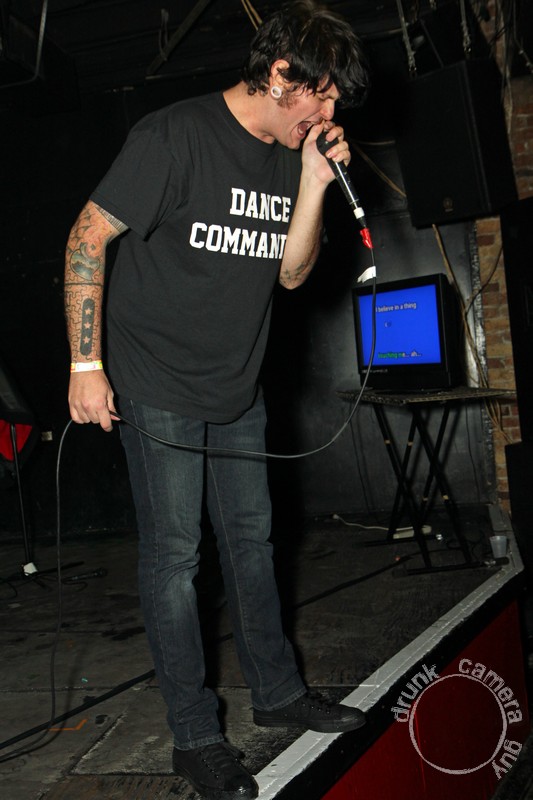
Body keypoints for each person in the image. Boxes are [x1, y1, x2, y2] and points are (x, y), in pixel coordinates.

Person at [64, 2, 369, 798]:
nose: (329, 113)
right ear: (282, 74)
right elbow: (87, 237)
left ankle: (277, 693)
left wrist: (313, 184)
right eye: (323, 95)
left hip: (236, 382)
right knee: (175, 560)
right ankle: (195, 736)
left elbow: (292, 274)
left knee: (252, 540)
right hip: (156, 378)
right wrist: (85, 363)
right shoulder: (175, 135)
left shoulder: (291, 156)